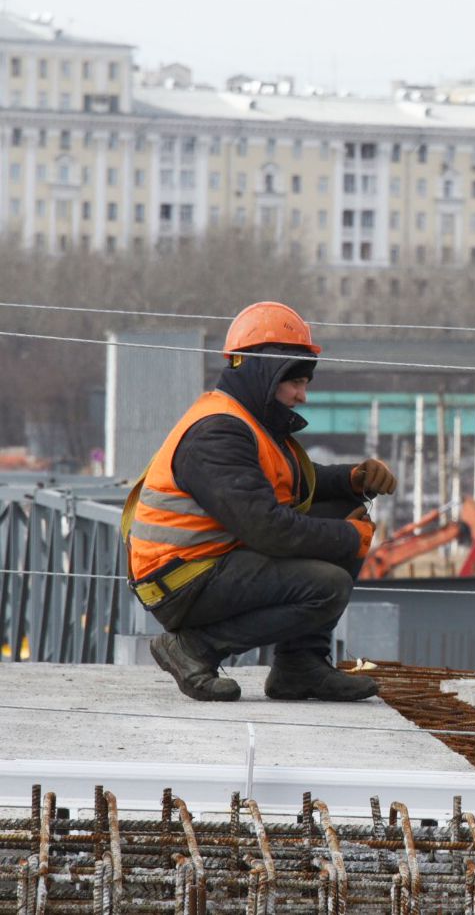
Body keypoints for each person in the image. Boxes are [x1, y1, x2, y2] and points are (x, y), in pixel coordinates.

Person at [122, 301, 397, 703]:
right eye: (296, 383)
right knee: (327, 586)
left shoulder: (248, 420)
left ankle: (300, 667)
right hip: (181, 581)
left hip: (209, 560)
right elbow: (268, 529)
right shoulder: (219, 432)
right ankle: (194, 648)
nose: (303, 395)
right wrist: (346, 538)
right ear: (266, 372)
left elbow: (293, 483)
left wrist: (352, 478)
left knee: (340, 505)